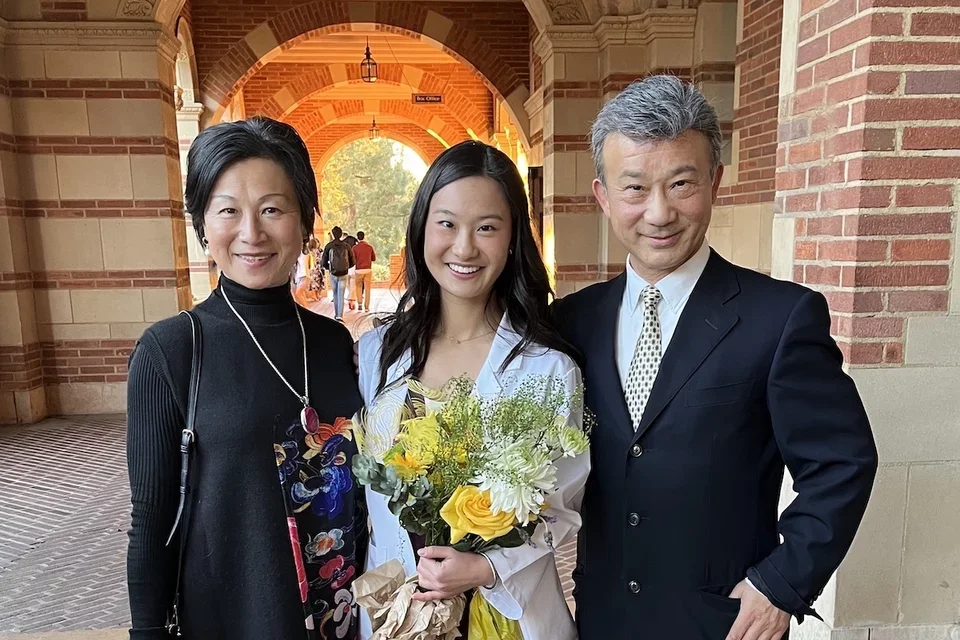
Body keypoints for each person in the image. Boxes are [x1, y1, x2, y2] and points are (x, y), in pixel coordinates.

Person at [552, 76, 879, 640]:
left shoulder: (779, 319)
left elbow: (842, 464)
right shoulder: (571, 323)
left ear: (715, 182)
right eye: (634, 188)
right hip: (603, 618)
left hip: (723, 623)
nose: (658, 213)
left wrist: (782, 583)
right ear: (603, 195)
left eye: (681, 183)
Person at [126, 117, 366, 640]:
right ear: (203, 223)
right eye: (228, 210)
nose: (251, 233)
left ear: (305, 220)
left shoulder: (333, 344)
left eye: (272, 209)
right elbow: (151, 517)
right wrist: (146, 632)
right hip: (230, 620)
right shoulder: (171, 350)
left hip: (343, 619)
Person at [355, 141, 589, 640]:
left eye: (486, 227)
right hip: (400, 611)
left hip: (505, 617)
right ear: (420, 230)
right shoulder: (377, 352)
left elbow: (562, 508)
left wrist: (487, 567)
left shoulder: (549, 369)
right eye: (447, 224)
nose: (464, 248)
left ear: (512, 240)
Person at [322, 226, 355, 322]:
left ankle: (336, 314)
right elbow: (353, 261)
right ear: (341, 234)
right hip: (344, 273)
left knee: (335, 293)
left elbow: (323, 261)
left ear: (332, 234)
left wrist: (329, 268)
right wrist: (346, 268)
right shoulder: (346, 246)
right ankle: (340, 315)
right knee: (341, 293)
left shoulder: (329, 246)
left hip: (333, 273)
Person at [352, 231, 376, 312]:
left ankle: (359, 304)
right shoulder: (369, 247)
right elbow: (374, 258)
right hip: (368, 270)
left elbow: (353, 260)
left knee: (358, 287)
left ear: (357, 238)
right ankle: (366, 307)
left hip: (358, 270)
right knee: (367, 289)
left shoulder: (354, 248)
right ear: (364, 237)